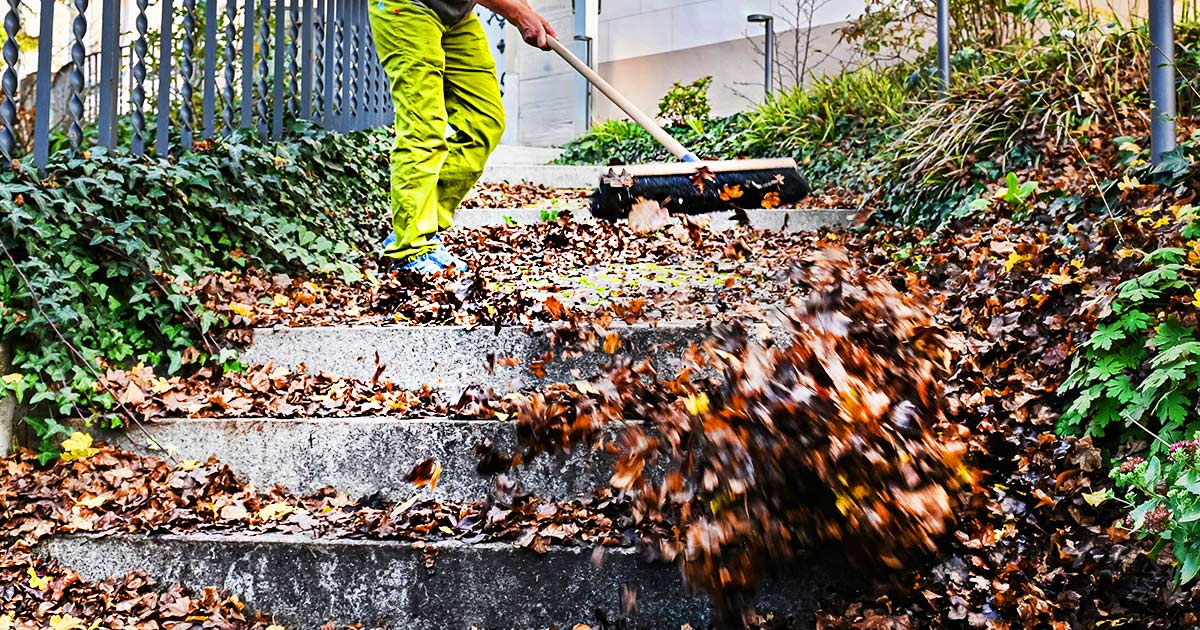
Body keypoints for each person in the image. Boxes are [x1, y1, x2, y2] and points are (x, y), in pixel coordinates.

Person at [370, 0, 557, 274]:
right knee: (424, 127)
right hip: (408, 7)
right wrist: (517, 13)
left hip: (456, 15)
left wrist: (525, 10)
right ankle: (411, 249)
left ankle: (417, 226)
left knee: (485, 120)